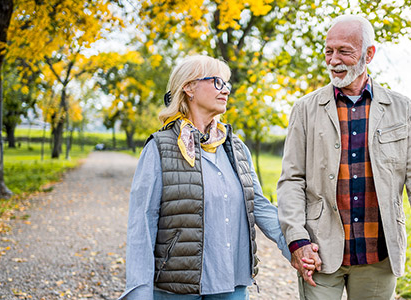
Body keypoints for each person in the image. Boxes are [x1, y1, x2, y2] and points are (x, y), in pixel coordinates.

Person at [277, 15, 411, 300]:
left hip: (378, 252)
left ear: (369, 54)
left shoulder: (401, 108)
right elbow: (291, 180)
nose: (333, 60)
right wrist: (297, 239)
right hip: (319, 251)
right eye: (328, 51)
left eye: (344, 51)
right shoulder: (305, 109)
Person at [119, 55, 291, 300]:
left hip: (232, 280)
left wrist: (295, 244)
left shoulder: (236, 147)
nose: (226, 90)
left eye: (227, 84)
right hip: (177, 285)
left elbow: (259, 205)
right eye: (217, 82)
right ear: (189, 87)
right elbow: (142, 224)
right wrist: (139, 292)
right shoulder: (160, 147)